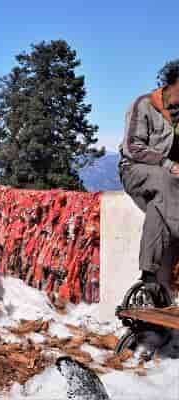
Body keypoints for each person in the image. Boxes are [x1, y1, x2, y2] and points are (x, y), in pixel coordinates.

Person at [119, 60, 179, 292]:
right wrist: (167, 163)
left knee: (159, 204)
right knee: (166, 181)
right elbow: (132, 147)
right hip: (135, 169)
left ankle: (149, 275)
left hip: (168, 182)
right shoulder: (143, 104)